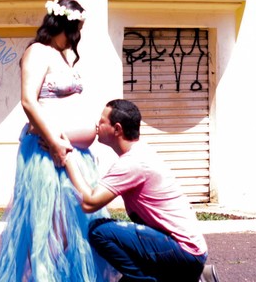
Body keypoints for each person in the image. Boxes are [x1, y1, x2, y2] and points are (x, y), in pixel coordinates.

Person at [0, 0, 112, 282]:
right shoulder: (37, 52)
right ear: (66, 25)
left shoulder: (62, 56)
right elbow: (28, 101)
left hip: (73, 153)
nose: (79, 36)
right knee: (46, 223)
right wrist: (55, 141)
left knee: (72, 224)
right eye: (78, 29)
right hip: (46, 152)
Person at [62, 98, 219, 282]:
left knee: (100, 231)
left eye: (102, 121)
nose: (97, 124)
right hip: (186, 249)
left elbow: (89, 203)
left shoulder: (132, 163)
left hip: (185, 252)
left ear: (117, 129)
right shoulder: (140, 153)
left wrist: (67, 158)